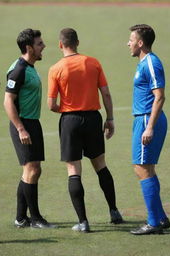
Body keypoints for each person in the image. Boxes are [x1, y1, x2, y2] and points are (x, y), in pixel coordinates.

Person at [48, 28, 123, 233]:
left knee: (74, 170)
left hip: (70, 121)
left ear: (60, 45)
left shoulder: (55, 68)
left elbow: (51, 104)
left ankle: (83, 222)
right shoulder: (93, 62)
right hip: (93, 118)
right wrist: (109, 118)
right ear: (78, 42)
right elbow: (106, 94)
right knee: (100, 165)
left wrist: (66, 110)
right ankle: (114, 211)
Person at [3, 28, 55, 229]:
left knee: (31, 170)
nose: (43, 46)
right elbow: (8, 101)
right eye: (39, 44)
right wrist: (20, 129)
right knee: (32, 170)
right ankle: (35, 218)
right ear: (28, 48)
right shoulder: (19, 70)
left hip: (32, 122)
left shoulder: (29, 67)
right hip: (23, 124)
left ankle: (20, 218)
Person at [127, 24, 170, 235]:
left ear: (141, 43)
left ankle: (153, 223)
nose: (128, 43)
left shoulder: (151, 63)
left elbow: (159, 96)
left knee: (142, 168)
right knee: (146, 168)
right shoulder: (143, 62)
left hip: (147, 120)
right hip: (142, 119)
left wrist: (150, 127)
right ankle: (160, 218)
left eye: (131, 39)